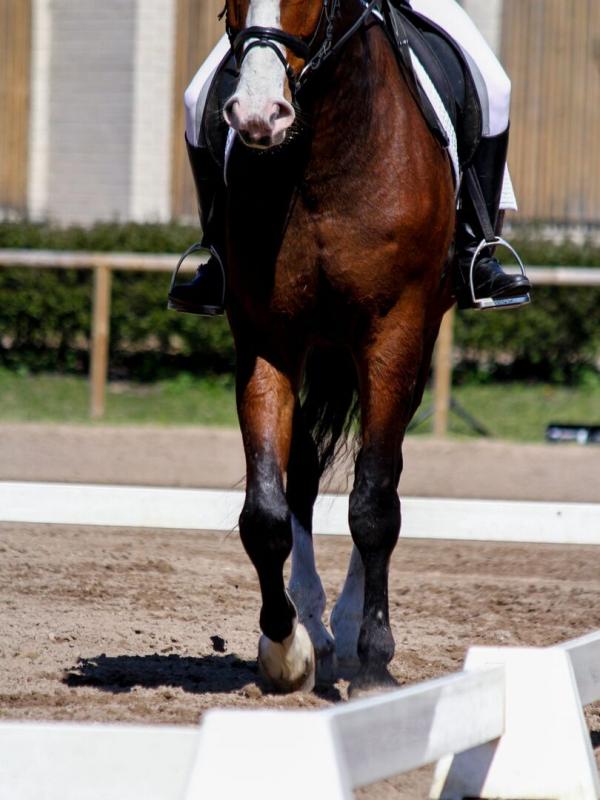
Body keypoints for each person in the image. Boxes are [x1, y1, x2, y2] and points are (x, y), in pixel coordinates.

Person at [168, 0, 531, 316]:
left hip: (410, 1)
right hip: (297, 10)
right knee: (195, 96)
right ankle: (217, 256)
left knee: (496, 88)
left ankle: (476, 252)